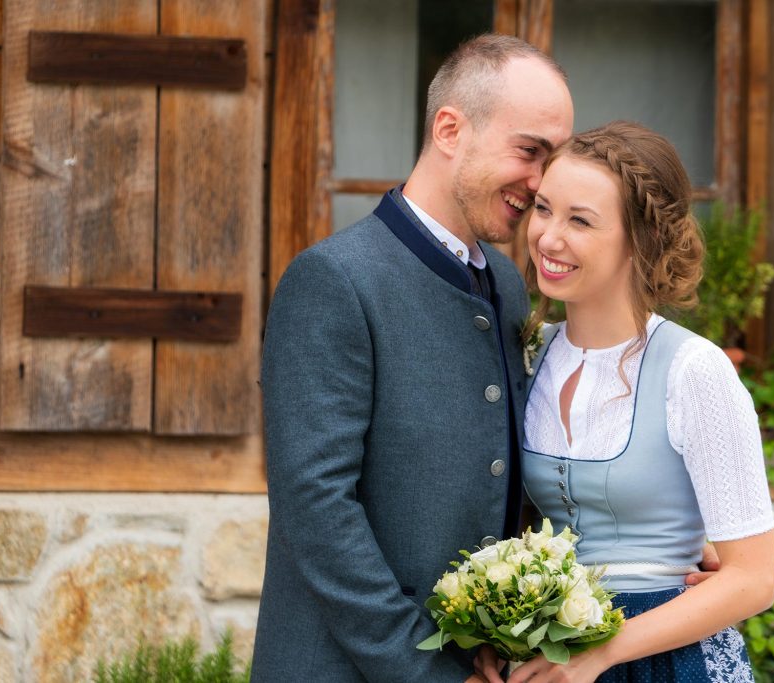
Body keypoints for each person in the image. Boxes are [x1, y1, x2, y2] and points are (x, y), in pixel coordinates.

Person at [252, 34, 574, 682]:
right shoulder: (334, 280)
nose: (541, 183)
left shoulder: (510, 286)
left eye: (555, 159)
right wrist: (421, 670)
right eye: (529, 151)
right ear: (450, 129)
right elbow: (317, 508)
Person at [476, 121, 774, 683]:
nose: (547, 237)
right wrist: (495, 626)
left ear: (641, 239)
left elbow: (753, 579)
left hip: (667, 653)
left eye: (580, 220)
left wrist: (604, 651)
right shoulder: (529, 355)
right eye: (543, 209)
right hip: (554, 649)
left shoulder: (693, 371)